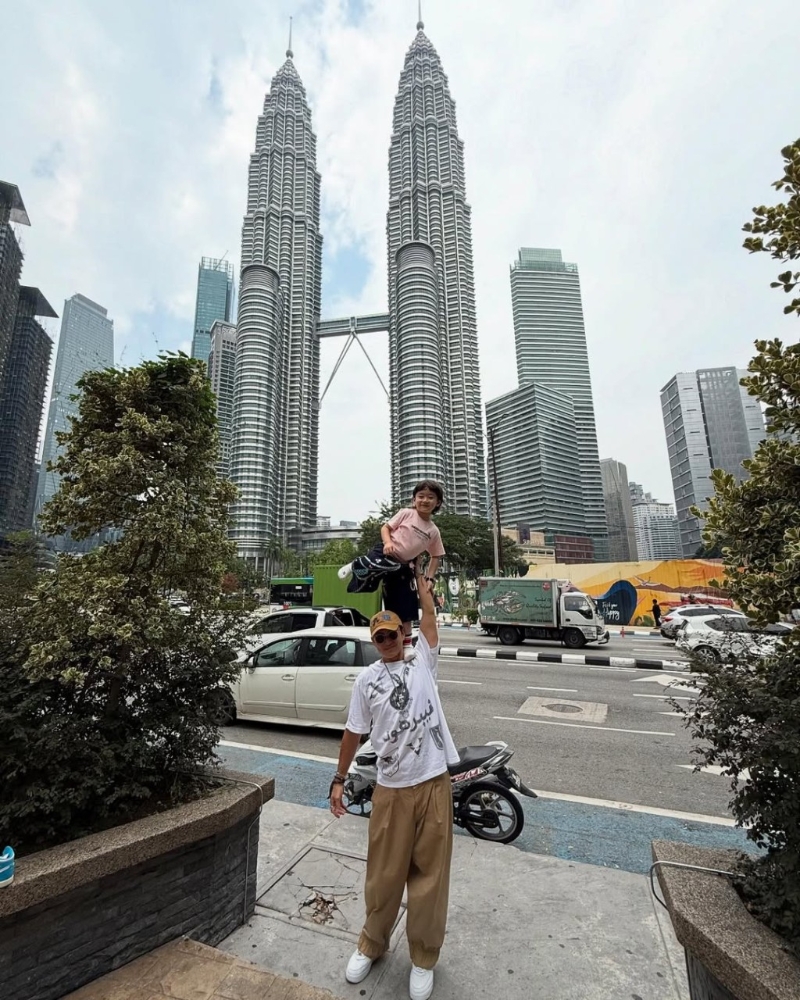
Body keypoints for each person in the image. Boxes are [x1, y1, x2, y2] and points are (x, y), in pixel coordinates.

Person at [329, 562, 458, 1000]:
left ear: (404, 634)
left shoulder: (423, 661)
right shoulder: (366, 681)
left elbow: (429, 619)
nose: (387, 642)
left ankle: (423, 956)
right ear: (374, 641)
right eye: (380, 637)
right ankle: (372, 943)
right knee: (383, 876)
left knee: (430, 878)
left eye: (393, 634)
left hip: (433, 784)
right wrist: (339, 778)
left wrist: (424, 590)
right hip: (391, 789)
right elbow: (353, 733)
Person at [339, 480, 446, 655]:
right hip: (386, 553)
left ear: (438, 502)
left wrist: (430, 578)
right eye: (421, 496)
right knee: (372, 566)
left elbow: (436, 556)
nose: (425, 500)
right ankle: (355, 565)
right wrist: (388, 542)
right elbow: (385, 528)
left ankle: (407, 643)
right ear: (414, 500)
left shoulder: (433, 531)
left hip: (403, 567)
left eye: (430, 497)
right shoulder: (406, 513)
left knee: (406, 603)